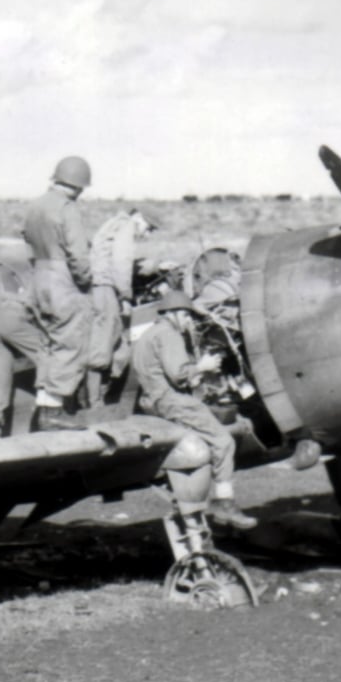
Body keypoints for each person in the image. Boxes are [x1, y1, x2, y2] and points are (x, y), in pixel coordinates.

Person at [131, 290, 257, 532]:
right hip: (173, 401)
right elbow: (179, 375)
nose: (189, 322)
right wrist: (203, 366)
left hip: (154, 401)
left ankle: (195, 501)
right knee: (223, 441)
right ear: (175, 314)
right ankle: (223, 502)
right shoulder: (168, 334)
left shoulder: (149, 335)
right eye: (187, 316)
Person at [21, 155, 94, 431]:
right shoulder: (68, 209)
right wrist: (85, 281)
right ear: (78, 186)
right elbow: (78, 256)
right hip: (62, 282)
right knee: (70, 343)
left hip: (38, 279)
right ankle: (54, 412)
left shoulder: (34, 206)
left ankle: (44, 408)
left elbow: (26, 244)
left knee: (48, 345)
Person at [86, 208, 156, 407]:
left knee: (119, 346)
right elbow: (121, 262)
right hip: (106, 287)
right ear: (139, 218)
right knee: (104, 342)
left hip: (102, 286)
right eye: (148, 228)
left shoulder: (114, 224)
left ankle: (101, 391)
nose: (147, 234)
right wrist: (126, 296)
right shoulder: (126, 227)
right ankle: (95, 400)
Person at [0, 260, 47, 438]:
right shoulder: (39, 276)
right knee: (48, 354)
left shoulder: (2, 274)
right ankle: (45, 406)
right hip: (13, 316)